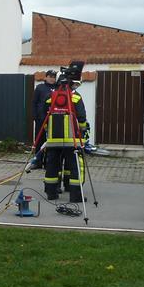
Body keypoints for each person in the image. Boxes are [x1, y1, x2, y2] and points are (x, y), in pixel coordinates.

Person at [43, 72, 89, 202]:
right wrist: (82, 129)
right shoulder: (76, 97)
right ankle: (75, 196)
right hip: (72, 140)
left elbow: (44, 117)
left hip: (53, 139)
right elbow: (81, 118)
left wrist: (48, 131)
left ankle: (51, 194)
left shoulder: (50, 97)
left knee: (52, 165)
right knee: (76, 166)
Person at [28, 70, 57, 169]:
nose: (52, 79)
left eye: (54, 77)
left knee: (52, 142)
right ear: (46, 77)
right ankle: (37, 162)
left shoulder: (58, 88)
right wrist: (35, 116)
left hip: (54, 120)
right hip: (41, 119)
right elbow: (34, 102)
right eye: (50, 76)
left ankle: (49, 162)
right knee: (39, 141)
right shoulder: (40, 88)